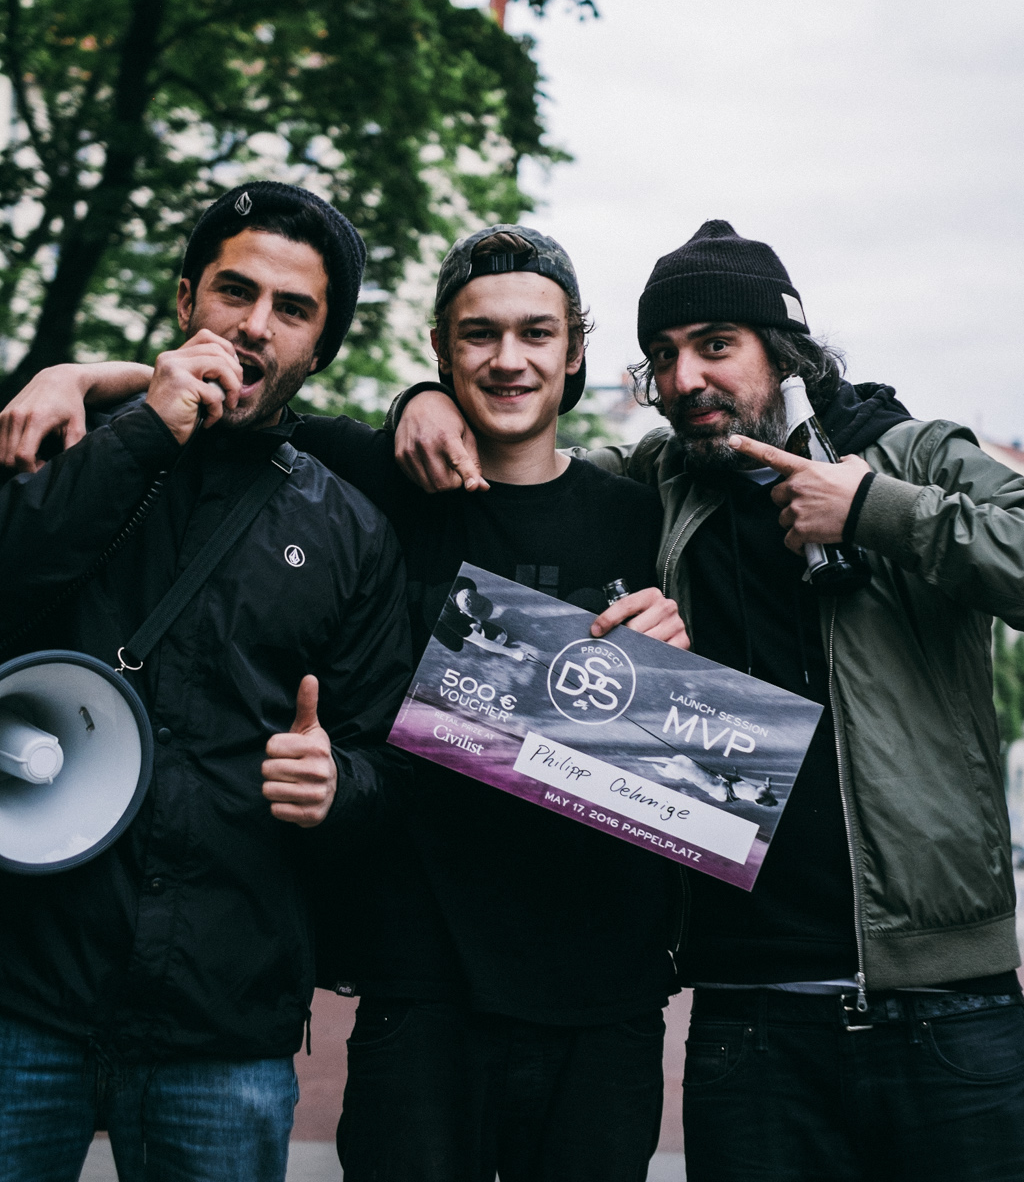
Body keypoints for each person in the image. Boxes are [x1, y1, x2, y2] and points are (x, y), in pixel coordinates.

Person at [4, 224, 692, 1182]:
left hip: (599, 988)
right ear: (440, 349)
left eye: (537, 333)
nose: (508, 359)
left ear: (575, 351)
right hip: (418, 983)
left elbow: (710, 750)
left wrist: (675, 653)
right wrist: (76, 374)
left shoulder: (647, 518)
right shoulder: (366, 476)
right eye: (478, 334)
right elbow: (244, 388)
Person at [379, 218, 1024, 1182]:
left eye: (716, 345)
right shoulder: (665, 480)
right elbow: (527, 457)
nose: (685, 380)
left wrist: (871, 510)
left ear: (785, 349)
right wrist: (423, 398)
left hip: (943, 1003)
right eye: (663, 357)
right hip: (745, 1014)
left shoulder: (911, 456)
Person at [0, 182, 412, 1182]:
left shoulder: (351, 530)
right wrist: (142, 428)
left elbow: (388, 763)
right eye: (236, 291)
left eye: (292, 309)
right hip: (25, 995)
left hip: (221, 1027)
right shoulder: (71, 437)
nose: (255, 326)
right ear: (188, 298)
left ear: (321, 347)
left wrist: (339, 784)